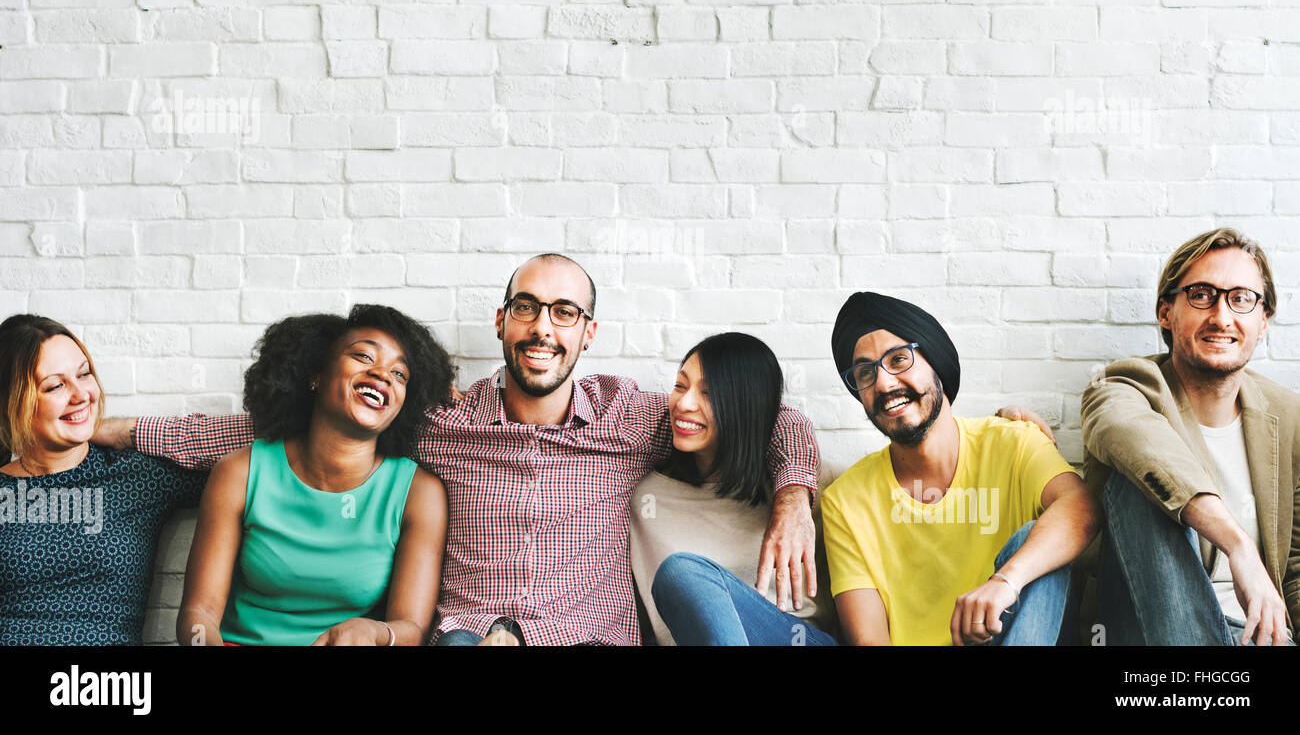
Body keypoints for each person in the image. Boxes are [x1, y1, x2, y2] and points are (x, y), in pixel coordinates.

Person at [96, 254, 822, 646]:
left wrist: (795, 497)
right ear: (502, 322)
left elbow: (768, 417)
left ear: (588, 333)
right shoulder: (442, 422)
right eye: (528, 308)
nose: (545, 327)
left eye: (565, 312)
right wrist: (116, 430)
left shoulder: (631, 419)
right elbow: (276, 431)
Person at [822, 292, 1100, 646]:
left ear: (935, 362)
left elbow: (1082, 507)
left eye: (898, 360)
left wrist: (1005, 582)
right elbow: (870, 640)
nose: (884, 384)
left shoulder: (1013, 443)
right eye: (865, 372)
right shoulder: (844, 502)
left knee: (1034, 539)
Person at [178, 304, 449, 646]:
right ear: (315, 373)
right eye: (364, 356)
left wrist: (378, 632)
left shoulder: (417, 492)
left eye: (400, 374)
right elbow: (197, 615)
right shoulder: (240, 472)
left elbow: (410, 628)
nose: (383, 374)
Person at [1081, 228, 1299, 647]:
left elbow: (1295, 567)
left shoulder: (1290, 417)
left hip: (1260, 635)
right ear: (1166, 313)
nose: (1221, 316)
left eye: (1241, 299)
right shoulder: (1125, 385)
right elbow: (1125, 432)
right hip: (1147, 628)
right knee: (1136, 486)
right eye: (1201, 294)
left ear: (1263, 320)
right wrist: (1239, 546)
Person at [0, 314, 206, 645]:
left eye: (85, 374)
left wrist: (126, 430)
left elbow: (270, 439)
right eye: (55, 385)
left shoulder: (137, 476)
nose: (81, 395)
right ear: (13, 402)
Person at [630, 332, 838, 646]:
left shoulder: (803, 488)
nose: (684, 403)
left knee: (683, 574)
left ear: (746, 405)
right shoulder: (644, 500)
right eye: (680, 385)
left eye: (709, 392)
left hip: (797, 638)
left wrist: (795, 497)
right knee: (682, 577)